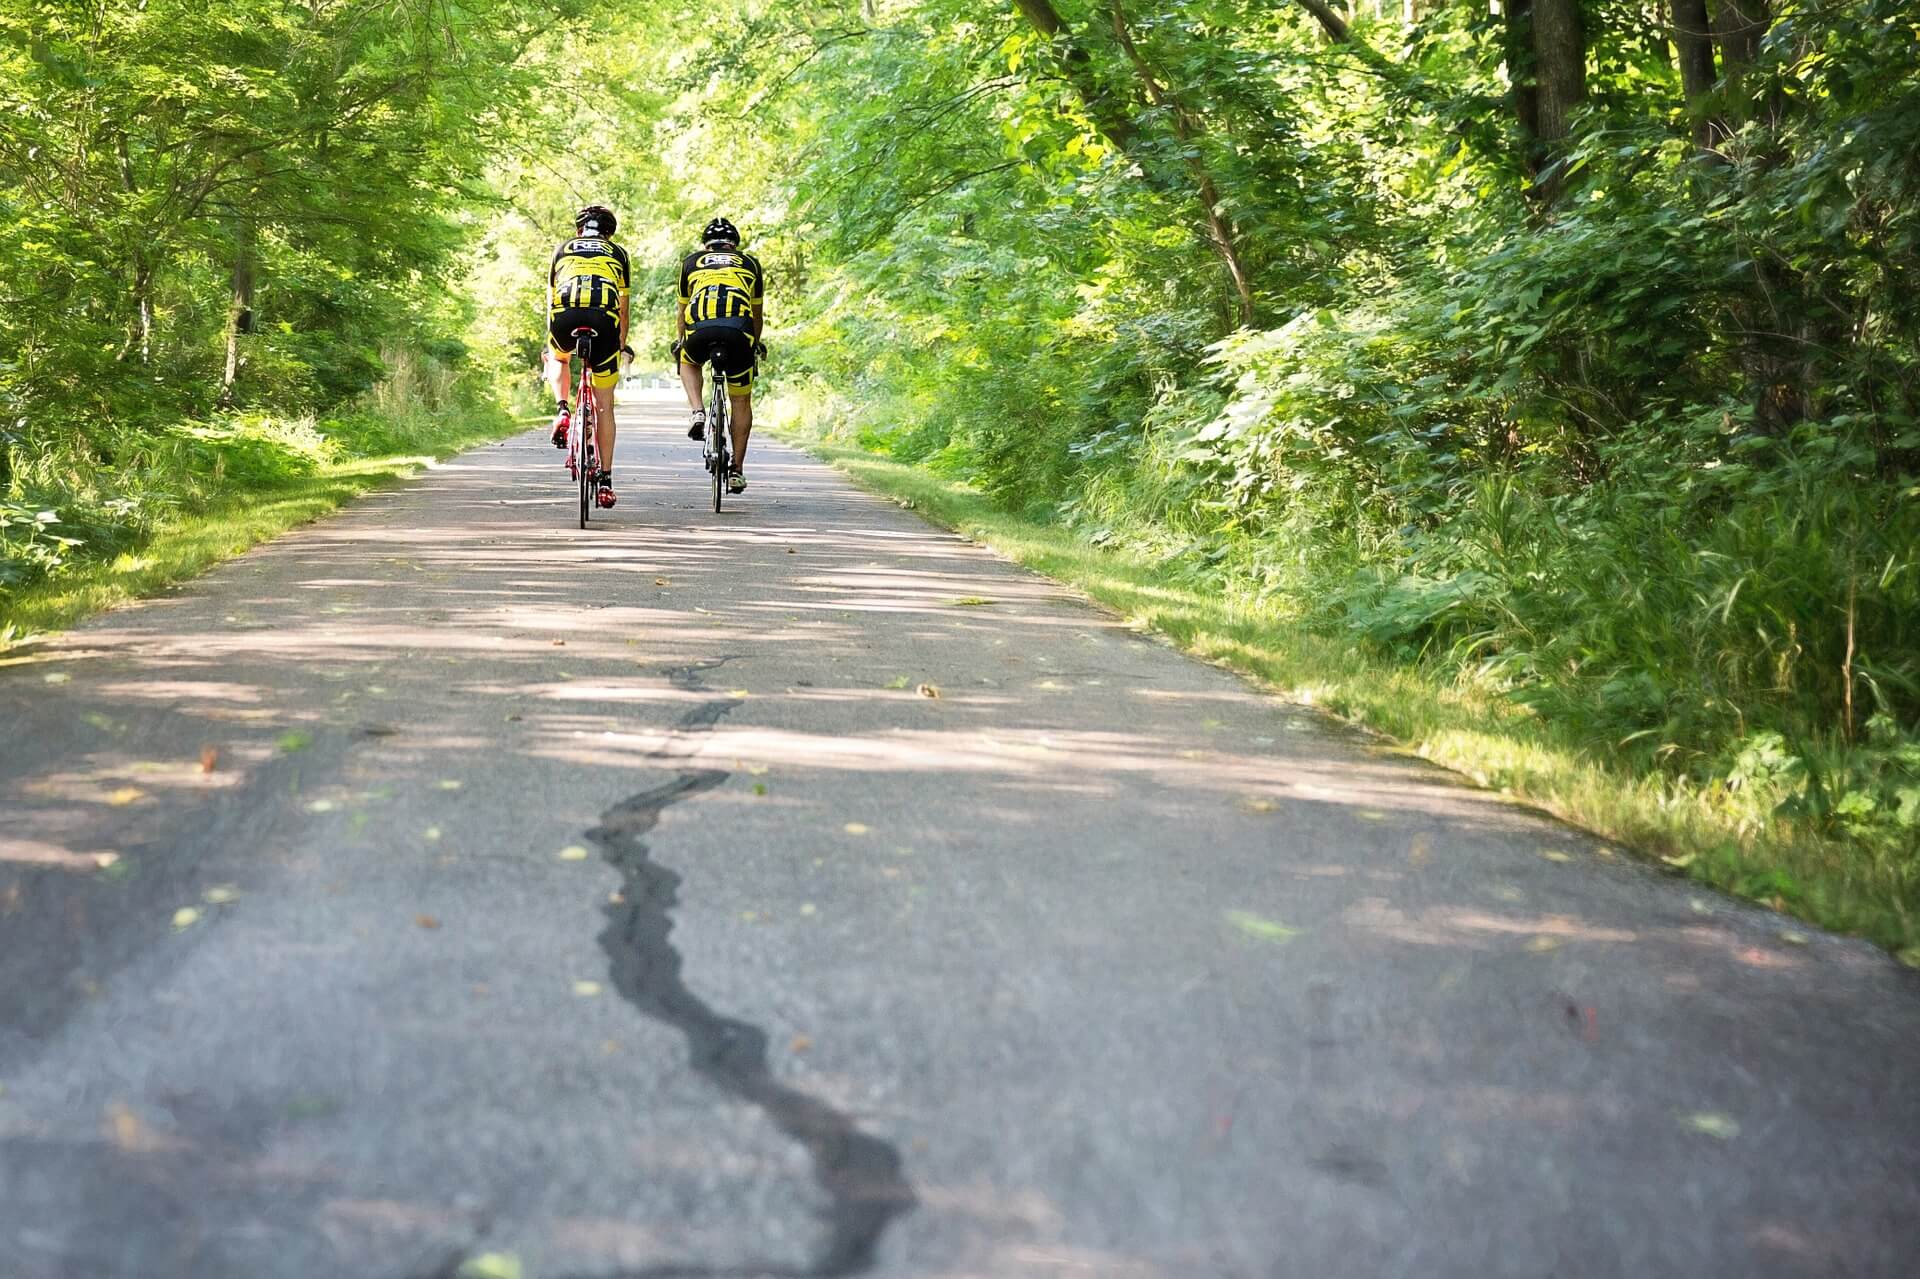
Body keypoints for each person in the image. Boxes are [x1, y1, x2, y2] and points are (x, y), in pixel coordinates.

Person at [546, 204, 631, 509]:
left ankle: (563, 409)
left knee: (558, 357)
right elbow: (622, 307)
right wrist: (621, 343)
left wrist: (552, 341)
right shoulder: (618, 253)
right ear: (609, 232)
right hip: (604, 323)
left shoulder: (561, 250)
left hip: (566, 318)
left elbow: (550, 300)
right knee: (605, 406)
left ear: (580, 230)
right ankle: (606, 480)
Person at [675, 217, 764, 494]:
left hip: (700, 330)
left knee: (687, 362)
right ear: (734, 245)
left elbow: (682, 310)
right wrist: (755, 343)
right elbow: (757, 313)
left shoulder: (691, 263)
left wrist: (681, 341)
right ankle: (736, 470)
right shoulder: (750, 264)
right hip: (739, 333)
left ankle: (698, 411)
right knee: (740, 401)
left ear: (706, 245)